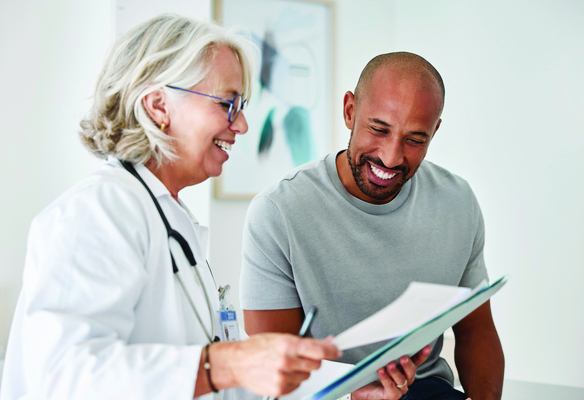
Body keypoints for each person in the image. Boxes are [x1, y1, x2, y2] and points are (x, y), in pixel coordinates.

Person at [0, 14, 349, 400]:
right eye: (228, 104)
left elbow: (216, 387)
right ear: (158, 106)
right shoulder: (94, 212)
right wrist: (228, 362)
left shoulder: (170, 218)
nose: (243, 125)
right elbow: (65, 377)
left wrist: (348, 389)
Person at [240, 52, 504, 400]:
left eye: (415, 139)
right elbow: (270, 366)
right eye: (379, 129)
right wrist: (354, 394)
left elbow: (476, 332)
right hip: (326, 394)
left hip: (426, 390)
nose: (391, 157)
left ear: (434, 131)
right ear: (350, 111)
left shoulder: (457, 202)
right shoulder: (278, 212)